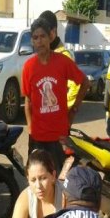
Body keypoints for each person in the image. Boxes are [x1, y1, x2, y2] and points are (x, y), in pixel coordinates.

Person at [22, 17, 90, 172]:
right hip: (38, 138)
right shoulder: (28, 67)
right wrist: (30, 128)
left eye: (42, 36)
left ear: (50, 37)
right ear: (32, 41)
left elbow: (85, 83)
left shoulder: (63, 62)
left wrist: (73, 110)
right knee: (38, 180)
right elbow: (28, 102)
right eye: (35, 38)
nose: (39, 41)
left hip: (59, 137)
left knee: (59, 180)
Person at [38, 10, 80, 110]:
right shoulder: (44, 54)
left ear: (53, 32)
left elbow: (76, 87)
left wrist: (62, 109)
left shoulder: (64, 56)